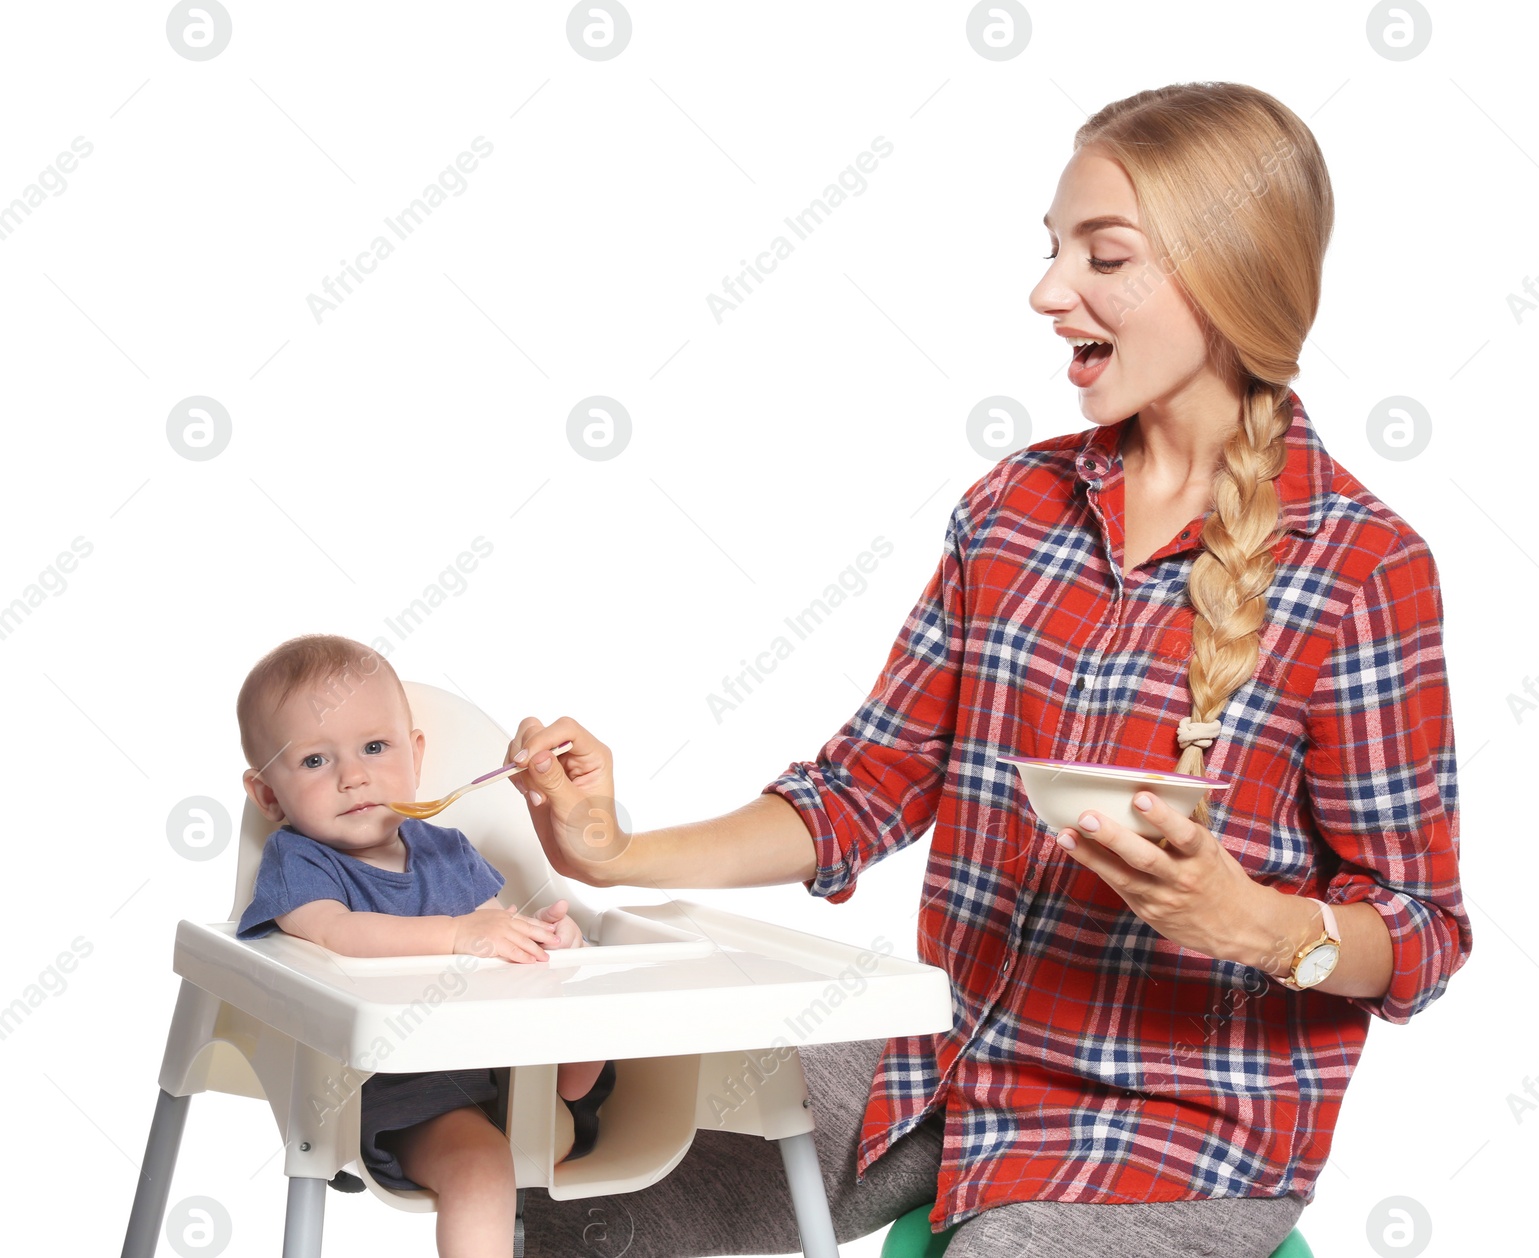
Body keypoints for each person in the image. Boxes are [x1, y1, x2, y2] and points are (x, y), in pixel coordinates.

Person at [505, 81, 1470, 1257]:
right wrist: (615, 850)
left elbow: (1418, 926)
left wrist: (1255, 922)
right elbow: (866, 787)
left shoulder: (1363, 567)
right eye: (1052, 248)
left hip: (1183, 1130)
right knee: (576, 1205)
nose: (1047, 291)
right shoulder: (1013, 508)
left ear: (1227, 277)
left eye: (1100, 256)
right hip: (949, 1056)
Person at [234, 633, 616, 1258]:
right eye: (313, 762)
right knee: (483, 1168)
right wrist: (457, 934)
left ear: (414, 755)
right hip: (409, 1089)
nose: (353, 776)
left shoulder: (447, 849)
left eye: (374, 747)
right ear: (268, 795)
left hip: (501, 1063)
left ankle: (572, 1070)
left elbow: (497, 933)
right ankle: (548, 1097)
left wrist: (547, 942)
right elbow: (338, 934)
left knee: (581, 978)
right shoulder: (299, 861)